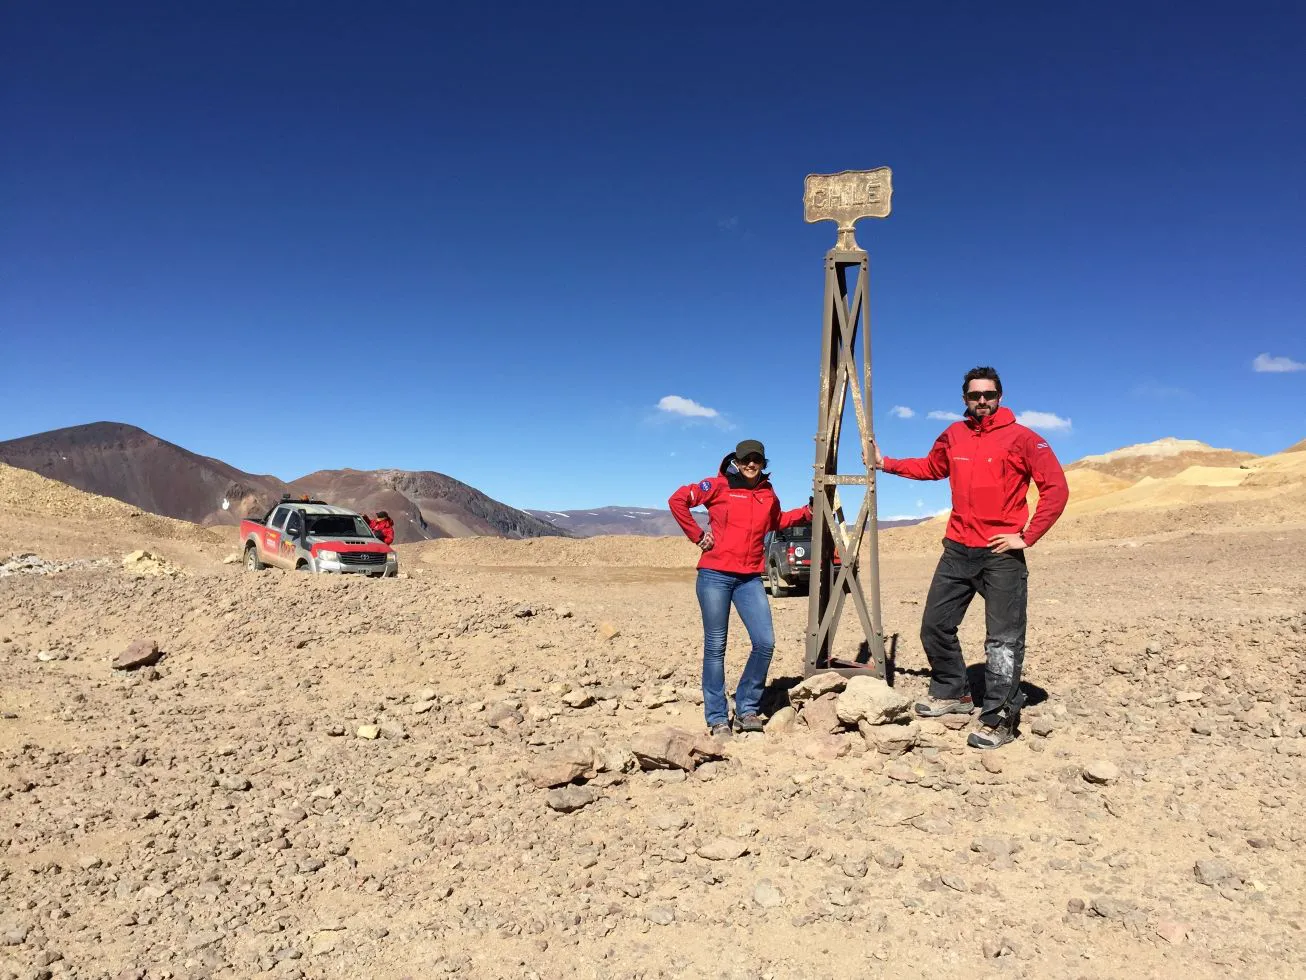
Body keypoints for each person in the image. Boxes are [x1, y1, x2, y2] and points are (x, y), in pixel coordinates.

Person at [875, 366, 1069, 749]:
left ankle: (1000, 718)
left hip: (1000, 555)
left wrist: (1026, 537)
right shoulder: (953, 434)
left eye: (989, 394)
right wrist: (886, 463)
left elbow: (1056, 490)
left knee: (1003, 641)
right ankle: (954, 693)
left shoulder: (1025, 439)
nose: (982, 401)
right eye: (975, 395)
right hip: (957, 549)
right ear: (964, 399)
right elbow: (932, 467)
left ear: (1000, 396)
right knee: (935, 626)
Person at [669, 439, 812, 738]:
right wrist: (697, 535)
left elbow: (777, 521)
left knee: (765, 642)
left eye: (756, 460)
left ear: (763, 463)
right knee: (715, 647)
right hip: (715, 575)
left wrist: (807, 512)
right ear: (736, 460)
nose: (751, 464)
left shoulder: (767, 493)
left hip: (749, 579)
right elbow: (678, 500)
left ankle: (747, 708)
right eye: (746, 459)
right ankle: (718, 717)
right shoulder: (718, 486)